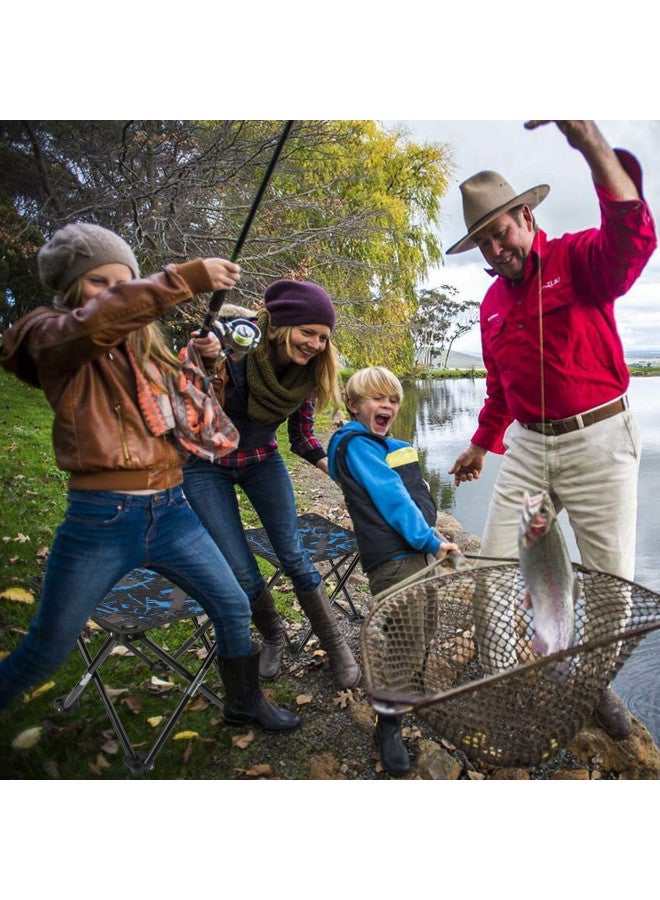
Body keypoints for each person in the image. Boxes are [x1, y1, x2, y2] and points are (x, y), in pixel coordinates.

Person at [0, 222, 301, 736]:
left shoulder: (145, 348)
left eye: (125, 280)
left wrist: (211, 366)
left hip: (172, 513)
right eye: (100, 282)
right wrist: (183, 279)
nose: (115, 292)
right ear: (71, 289)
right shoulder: (45, 334)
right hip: (101, 520)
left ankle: (246, 705)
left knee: (232, 606)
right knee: (47, 649)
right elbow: (94, 324)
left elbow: (191, 415)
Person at [446, 120, 657, 740]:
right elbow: (500, 389)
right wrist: (482, 443)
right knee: (492, 567)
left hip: (600, 439)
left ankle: (591, 688)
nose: (495, 247)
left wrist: (589, 141)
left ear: (528, 220)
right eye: (483, 240)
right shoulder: (489, 306)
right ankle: (507, 681)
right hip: (531, 444)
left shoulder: (578, 259)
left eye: (501, 230)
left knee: (612, 585)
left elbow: (633, 241)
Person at [182, 279, 361, 690]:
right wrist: (203, 358)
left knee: (294, 557)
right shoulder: (235, 346)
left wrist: (339, 472)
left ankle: (336, 646)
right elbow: (189, 396)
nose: (316, 345)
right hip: (205, 465)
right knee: (241, 567)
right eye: (308, 333)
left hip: (261, 460)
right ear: (282, 324)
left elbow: (300, 439)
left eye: (323, 337)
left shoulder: (310, 374)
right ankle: (274, 637)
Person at [327, 366, 459, 776]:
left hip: (414, 552)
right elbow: (392, 497)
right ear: (352, 406)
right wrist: (433, 540)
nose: (387, 405)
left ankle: (412, 692)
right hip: (395, 558)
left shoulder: (377, 443)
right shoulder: (360, 446)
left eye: (393, 399)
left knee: (426, 623)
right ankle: (388, 723)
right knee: (404, 637)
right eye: (376, 398)